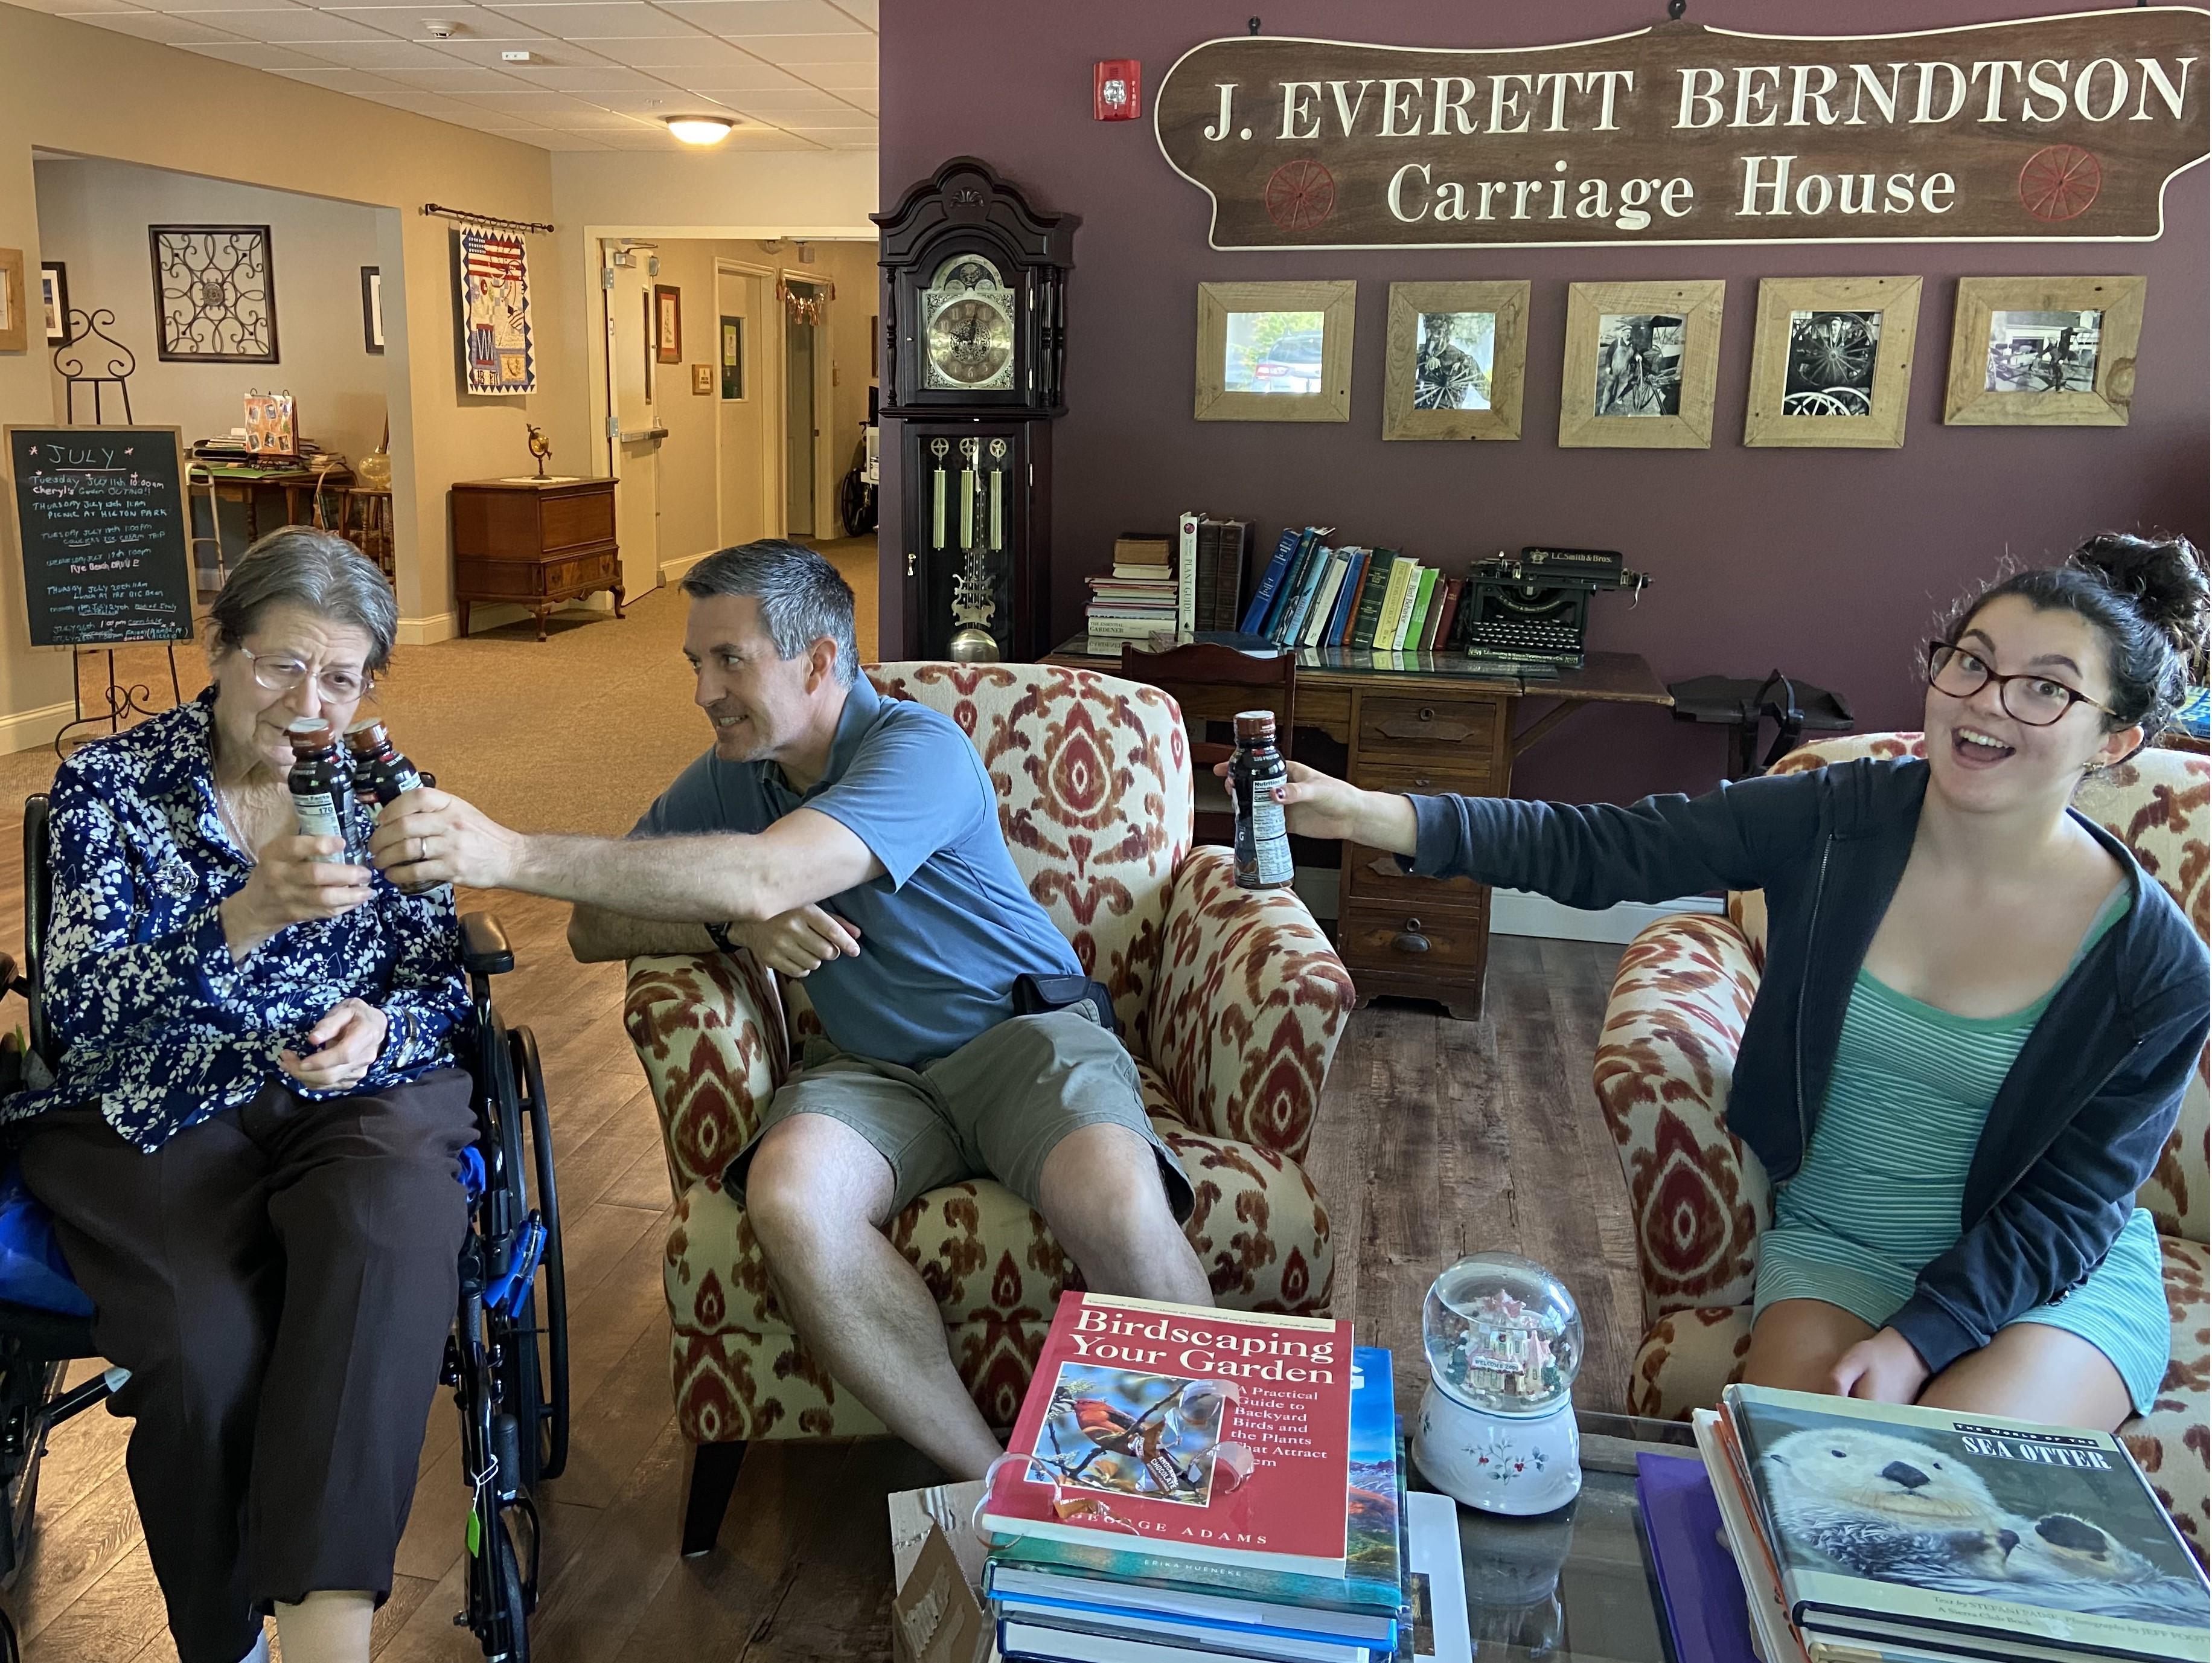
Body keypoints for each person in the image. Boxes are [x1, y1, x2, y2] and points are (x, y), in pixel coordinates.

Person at [1249, 536, 2208, 1432]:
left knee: (1961, 1485)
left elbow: (2069, 1210)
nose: (1987, 702)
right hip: (1840, 1241)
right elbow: (1613, 847)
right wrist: (1372, 811)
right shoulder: (1837, 817)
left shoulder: (2154, 967)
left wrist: (1921, 1339)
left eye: (2045, 689)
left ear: (2115, 739)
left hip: (2040, 1281)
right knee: (1794, 1489)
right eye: (1971, 661)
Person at [367, 539, 1209, 1479]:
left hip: (1019, 1036)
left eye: (730, 660)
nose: (704, 691)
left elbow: (773, 869)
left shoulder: (919, 750)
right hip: (873, 1071)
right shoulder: (740, 771)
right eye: (697, 662)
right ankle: (993, 1488)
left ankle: (1210, 1493)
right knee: (791, 1200)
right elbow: (593, 928)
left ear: (818, 662)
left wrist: (510, 853)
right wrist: (738, 931)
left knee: (1118, 1200)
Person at [1, 529, 473, 1663]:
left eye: (343, 677)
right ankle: (226, 1641)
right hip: (158, 1104)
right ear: (219, 651)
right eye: (279, 665)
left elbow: (446, 978)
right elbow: (79, 1006)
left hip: (356, 1093)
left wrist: (383, 1025)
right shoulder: (108, 788)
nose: (311, 702)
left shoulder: (384, 789)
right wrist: (242, 915)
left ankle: (326, 1640)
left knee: (385, 1231)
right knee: (199, 1342)